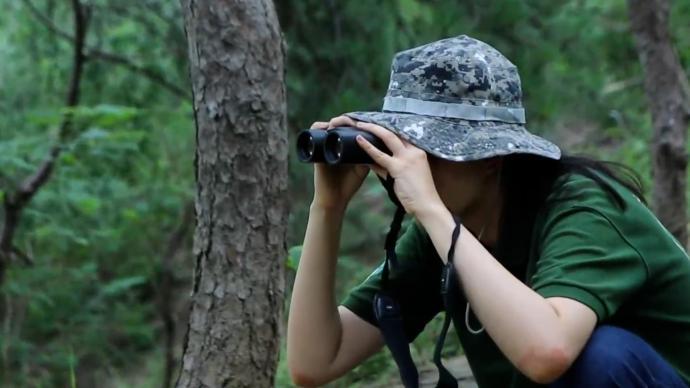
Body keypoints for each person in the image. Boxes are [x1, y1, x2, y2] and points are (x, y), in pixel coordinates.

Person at [286, 35, 690, 387]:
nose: (409, 164)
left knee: (600, 355)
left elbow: (547, 353)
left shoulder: (583, 209)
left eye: (430, 149)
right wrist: (328, 207)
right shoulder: (443, 229)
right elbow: (316, 361)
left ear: (492, 157)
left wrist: (430, 210)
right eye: (400, 144)